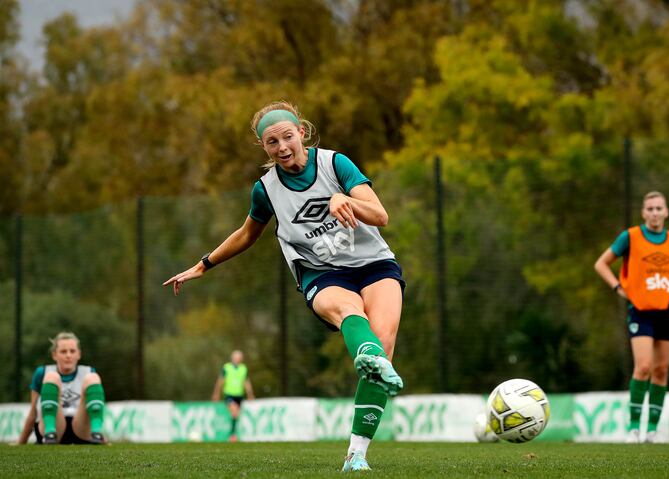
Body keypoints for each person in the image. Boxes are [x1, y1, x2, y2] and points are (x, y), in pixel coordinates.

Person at [164, 101, 404, 471]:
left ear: (301, 133)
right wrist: (204, 264)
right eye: (272, 142)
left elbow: (381, 216)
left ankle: (356, 454)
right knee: (349, 312)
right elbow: (247, 234)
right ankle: (366, 363)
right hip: (321, 272)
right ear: (264, 148)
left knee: (382, 348)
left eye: (287, 136)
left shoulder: (336, 164)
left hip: (373, 263)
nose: (282, 147)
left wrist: (344, 200)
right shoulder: (266, 189)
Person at [594, 191, 669, 444]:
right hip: (641, 310)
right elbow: (601, 263)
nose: (655, 213)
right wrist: (617, 287)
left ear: (666, 212)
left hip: (668, 310)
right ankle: (634, 428)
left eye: (659, 209)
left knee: (661, 370)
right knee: (643, 367)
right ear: (644, 213)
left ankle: (652, 430)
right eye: (650, 209)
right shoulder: (630, 237)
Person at [17, 332, 106, 445]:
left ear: (79, 354)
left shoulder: (88, 372)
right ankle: (50, 434)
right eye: (63, 351)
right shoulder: (42, 373)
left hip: (79, 428)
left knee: (93, 378)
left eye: (72, 351)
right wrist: (21, 442)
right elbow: (33, 412)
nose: (68, 355)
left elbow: (96, 407)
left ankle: (97, 433)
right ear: (54, 355)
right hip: (54, 426)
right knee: (51, 377)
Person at [211, 350, 255, 442]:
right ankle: (232, 435)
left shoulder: (243, 368)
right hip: (229, 394)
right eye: (235, 357)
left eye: (239, 357)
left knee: (235, 415)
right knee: (234, 412)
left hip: (239, 395)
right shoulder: (226, 368)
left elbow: (246, 382)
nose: (237, 359)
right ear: (232, 358)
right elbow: (220, 381)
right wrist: (216, 393)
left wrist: (250, 394)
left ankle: (233, 434)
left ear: (241, 359)